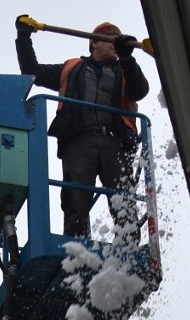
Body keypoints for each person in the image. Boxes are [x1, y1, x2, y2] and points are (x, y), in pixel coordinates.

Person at [15, 15, 150, 243]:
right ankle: (76, 247)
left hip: (115, 143)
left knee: (124, 199)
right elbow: (32, 70)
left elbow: (139, 91)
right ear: (94, 43)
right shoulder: (72, 68)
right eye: (110, 39)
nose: (115, 45)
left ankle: (129, 247)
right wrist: (23, 36)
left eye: (118, 41)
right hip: (79, 142)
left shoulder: (124, 70)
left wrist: (128, 58)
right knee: (75, 198)